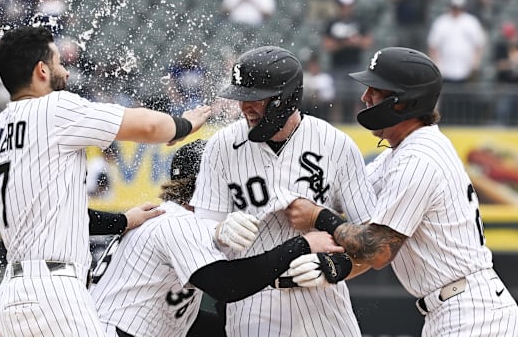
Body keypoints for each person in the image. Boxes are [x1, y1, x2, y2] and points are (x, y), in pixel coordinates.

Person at [0, 25, 211, 337]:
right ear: (41, 70)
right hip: (54, 293)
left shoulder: (1, 126)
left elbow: (61, 212)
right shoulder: (55, 107)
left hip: (10, 295)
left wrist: (122, 220)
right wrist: (184, 125)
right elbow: (146, 127)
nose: (64, 70)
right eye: (57, 62)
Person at [284, 47, 518, 337]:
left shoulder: (418, 158)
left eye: (375, 89)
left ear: (401, 103)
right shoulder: (399, 154)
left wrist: (319, 217)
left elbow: (378, 250)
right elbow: (344, 202)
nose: (364, 97)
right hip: (455, 309)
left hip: (473, 316)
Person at [190, 45, 377, 336]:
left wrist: (337, 264)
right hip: (252, 302)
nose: (244, 108)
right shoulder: (221, 146)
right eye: (241, 98)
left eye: (255, 99)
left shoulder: (335, 143)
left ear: (285, 98)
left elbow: (371, 240)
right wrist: (218, 231)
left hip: (322, 301)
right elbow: (201, 238)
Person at [90, 139, 344, 337]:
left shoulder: (170, 217)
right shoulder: (179, 225)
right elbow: (227, 285)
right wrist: (302, 245)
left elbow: (180, 316)